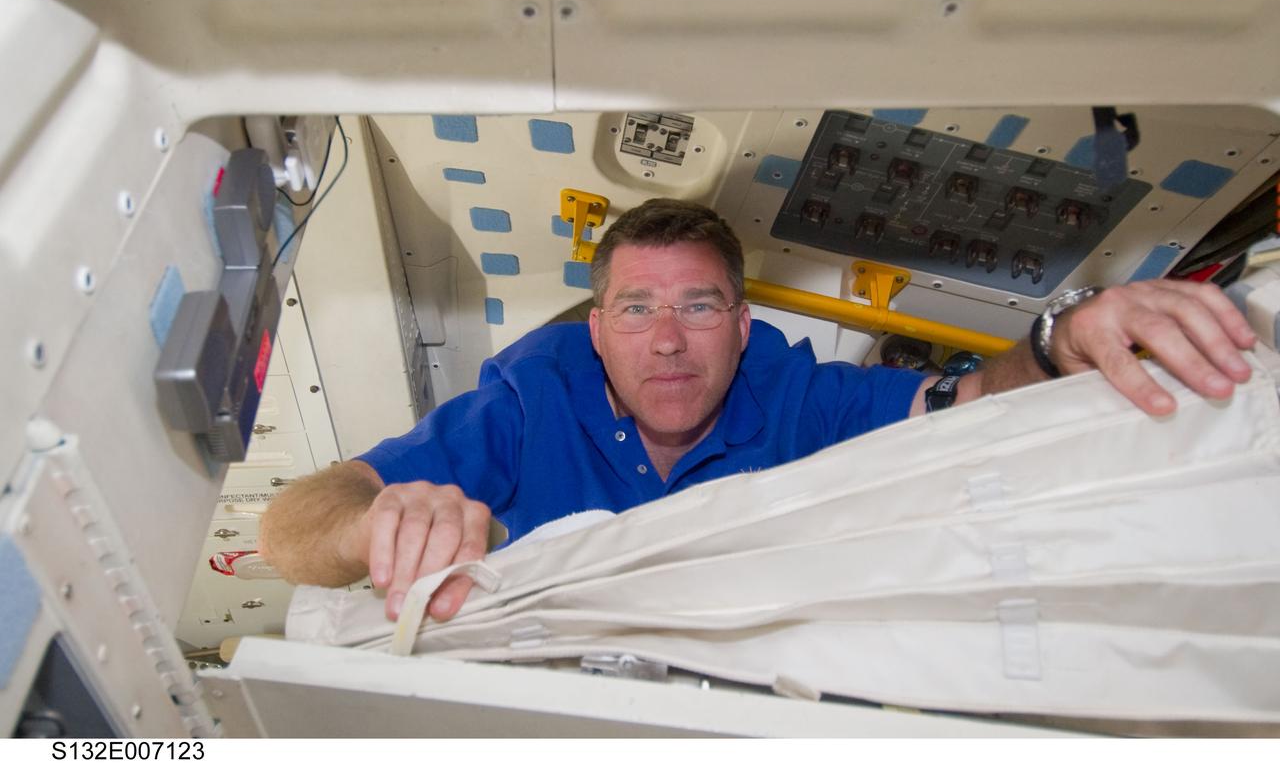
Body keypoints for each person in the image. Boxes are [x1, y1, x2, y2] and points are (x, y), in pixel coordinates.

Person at [260, 198, 1257, 623]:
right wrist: (371, 526)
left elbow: (963, 403)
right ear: (596, 329)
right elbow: (288, 530)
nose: (666, 340)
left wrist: (1054, 340)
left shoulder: (796, 397)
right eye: (636, 310)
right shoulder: (528, 401)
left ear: (741, 327)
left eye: (698, 308)